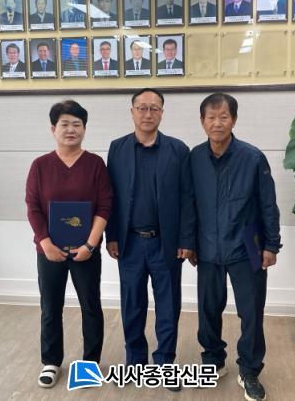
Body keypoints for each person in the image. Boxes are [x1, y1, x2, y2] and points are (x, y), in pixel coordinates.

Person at [189, 93, 281, 401]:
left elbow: (268, 204)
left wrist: (271, 244)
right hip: (207, 247)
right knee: (208, 309)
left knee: (251, 311)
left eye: (223, 117)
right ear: (202, 121)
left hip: (247, 247)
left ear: (234, 120)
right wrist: (189, 243)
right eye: (211, 117)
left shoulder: (252, 158)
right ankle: (213, 360)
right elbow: (189, 204)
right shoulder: (195, 158)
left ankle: (250, 370)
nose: (217, 123)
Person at [106, 88, 195, 391]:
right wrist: (112, 235)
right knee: (132, 304)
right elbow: (111, 197)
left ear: (162, 113)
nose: (148, 114)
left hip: (165, 243)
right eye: (142, 108)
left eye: (154, 108)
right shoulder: (117, 148)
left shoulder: (178, 150)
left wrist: (186, 239)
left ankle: (165, 363)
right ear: (132, 112)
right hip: (129, 243)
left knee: (168, 306)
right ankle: (135, 361)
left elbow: (187, 198)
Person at [25, 100, 112, 389]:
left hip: (86, 251)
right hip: (49, 251)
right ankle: (51, 362)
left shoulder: (95, 164)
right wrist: (46, 244)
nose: (71, 129)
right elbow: (33, 208)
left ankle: (90, 364)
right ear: (53, 129)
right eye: (65, 124)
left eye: (77, 124)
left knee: (91, 306)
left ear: (84, 129)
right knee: (51, 307)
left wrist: (90, 245)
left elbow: (105, 206)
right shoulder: (40, 166)